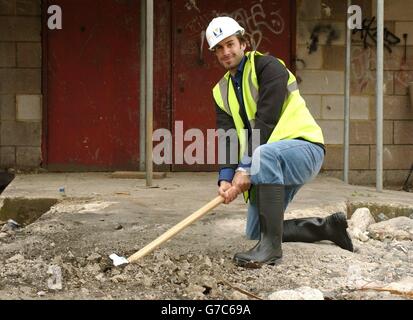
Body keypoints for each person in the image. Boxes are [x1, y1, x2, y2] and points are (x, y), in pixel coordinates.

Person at [205, 16, 353, 268]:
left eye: (230, 44)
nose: (225, 52)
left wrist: (245, 167)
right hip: (268, 160)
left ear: (243, 43)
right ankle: (327, 228)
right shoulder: (220, 91)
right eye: (218, 48)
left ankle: (271, 250)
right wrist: (226, 177)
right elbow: (228, 137)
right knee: (256, 230)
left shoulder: (269, 67)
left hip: (304, 150)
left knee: (264, 155)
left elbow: (266, 121)